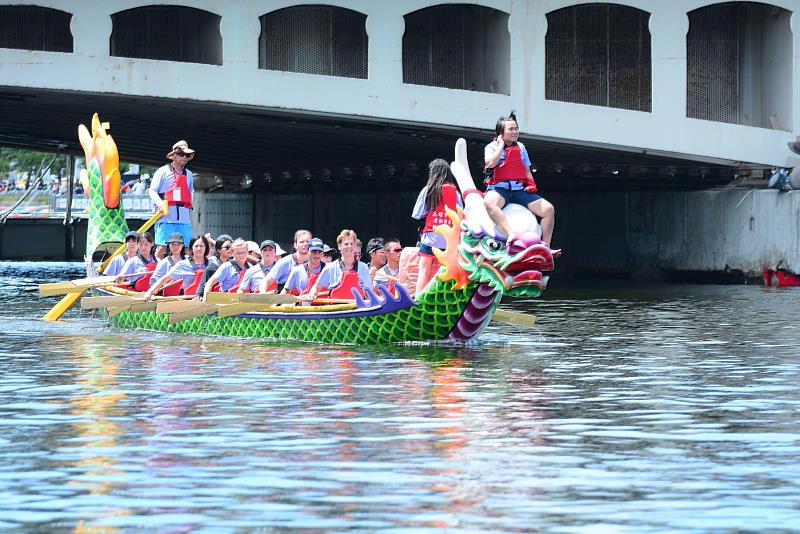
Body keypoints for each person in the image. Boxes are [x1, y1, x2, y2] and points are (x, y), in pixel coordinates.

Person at [484, 111, 559, 254]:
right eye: (511, 129)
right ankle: (510, 233)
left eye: (516, 128)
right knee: (489, 203)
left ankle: (546, 248)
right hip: (500, 189)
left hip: (519, 190)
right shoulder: (491, 147)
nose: (515, 132)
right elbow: (491, 163)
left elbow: (526, 169)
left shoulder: (521, 147)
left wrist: (531, 184)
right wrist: (500, 145)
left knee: (549, 209)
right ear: (501, 132)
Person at [412, 159, 463, 295]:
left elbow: (417, 214)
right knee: (444, 272)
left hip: (430, 238)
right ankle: (440, 297)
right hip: (449, 241)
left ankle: (418, 298)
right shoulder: (455, 193)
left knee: (424, 270)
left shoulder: (428, 190)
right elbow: (461, 215)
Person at [149, 140, 196, 257]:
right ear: (174, 155)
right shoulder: (162, 171)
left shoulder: (189, 174)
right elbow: (152, 190)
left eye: (187, 155)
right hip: (166, 217)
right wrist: (160, 203)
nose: (184, 157)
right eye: (181, 154)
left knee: (187, 248)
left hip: (184, 218)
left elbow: (191, 192)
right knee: (162, 247)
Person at [307, 229, 372, 301]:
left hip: (358, 309)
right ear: (339, 246)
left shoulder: (363, 267)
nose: (349, 246)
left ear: (355, 246)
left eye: (352, 243)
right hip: (336, 309)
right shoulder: (330, 267)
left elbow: (369, 294)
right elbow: (316, 287)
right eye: (346, 244)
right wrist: (312, 294)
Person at [144, 234, 211, 299]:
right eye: (196, 246)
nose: (199, 249)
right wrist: (150, 292)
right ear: (191, 248)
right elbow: (163, 279)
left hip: (208, 301)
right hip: (188, 300)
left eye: (202, 246)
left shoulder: (212, 263)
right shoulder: (182, 264)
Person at [150, 231, 186, 296]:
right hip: (169, 294)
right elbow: (153, 279)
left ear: (183, 245)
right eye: (173, 244)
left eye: (178, 244)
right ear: (169, 245)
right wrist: (158, 287)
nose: (176, 247)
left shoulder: (189, 260)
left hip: (186, 293)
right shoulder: (164, 262)